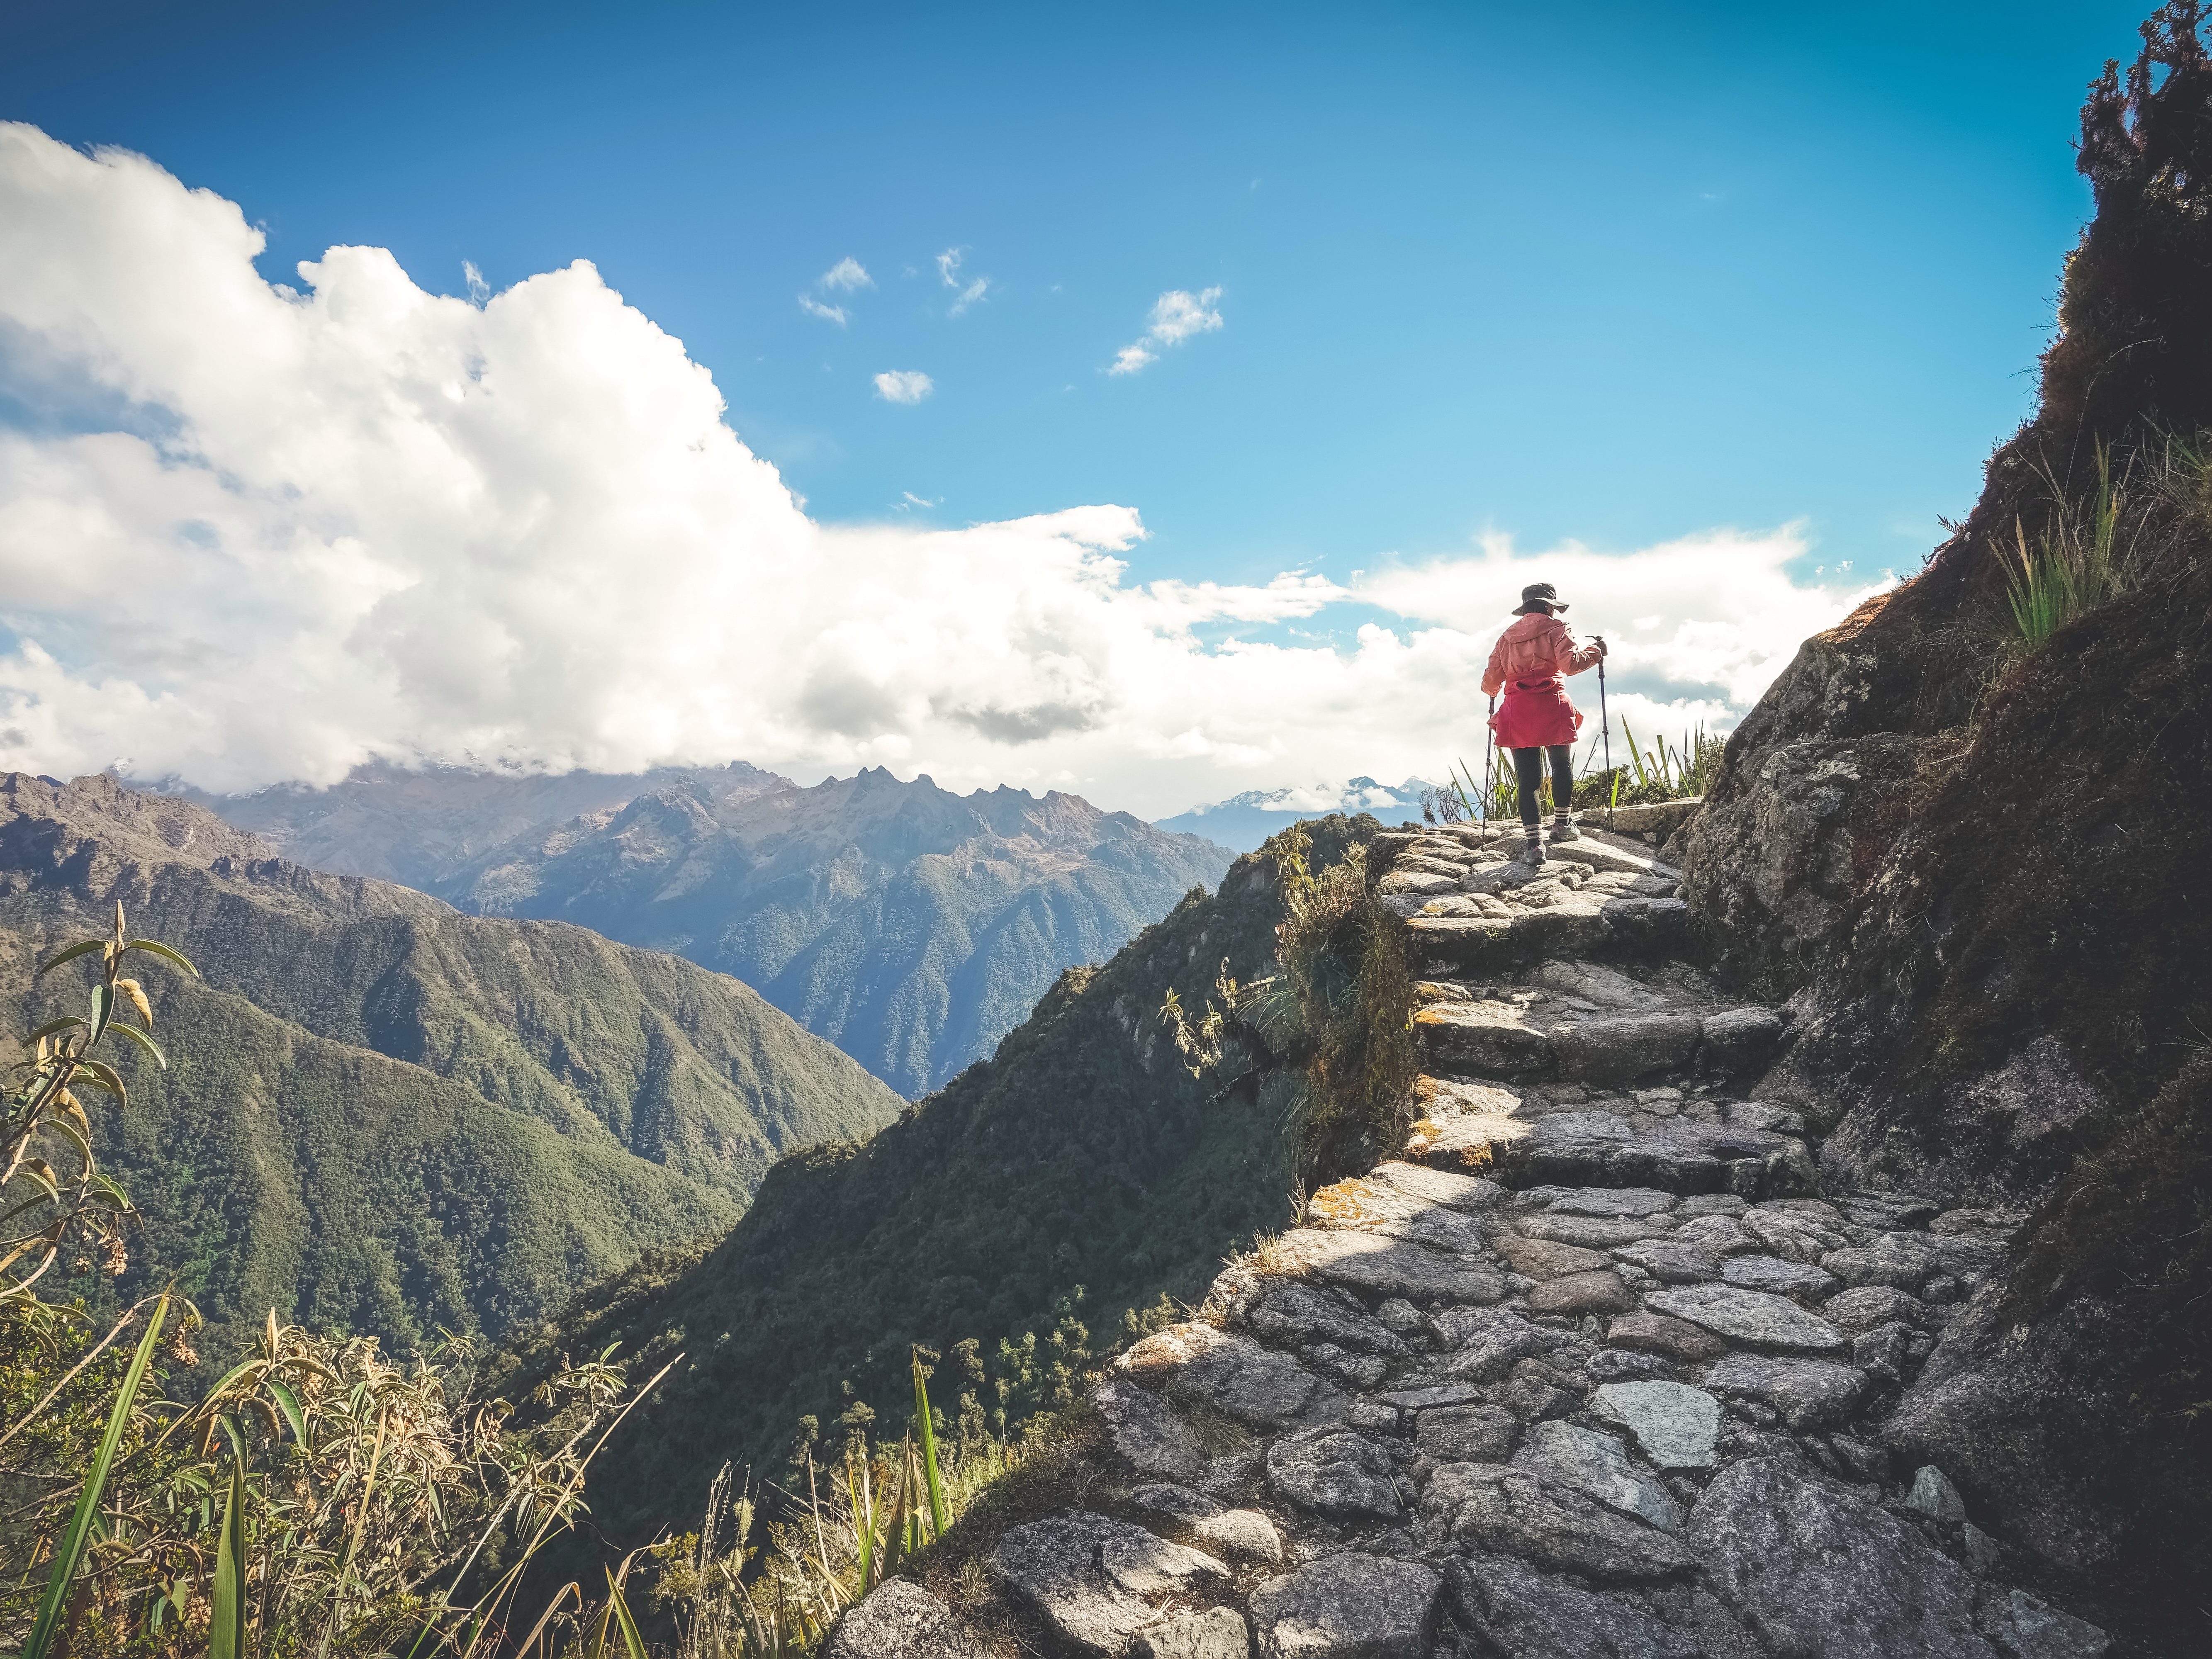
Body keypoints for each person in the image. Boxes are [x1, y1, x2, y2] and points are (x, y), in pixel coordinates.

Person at [1481, 582, 1607, 866]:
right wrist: (1596, 651)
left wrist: (1492, 691)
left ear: (1524, 610)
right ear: (1550, 607)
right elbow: (1571, 665)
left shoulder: (1506, 638)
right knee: (1560, 764)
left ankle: (1534, 846)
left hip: (1518, 709)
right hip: (1552, 703)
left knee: (1527, 779)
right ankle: (1562, 825)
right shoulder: (1556, 628)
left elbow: (1491, 679)